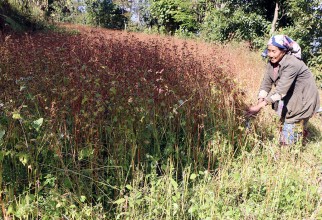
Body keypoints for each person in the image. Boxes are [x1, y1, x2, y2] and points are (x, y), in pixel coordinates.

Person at [247, 35, 320, 145]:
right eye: (269, 50)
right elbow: (266, 83)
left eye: (274, 51)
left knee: (287, 137)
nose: (270, 54)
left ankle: (290, 149)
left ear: (283, 51)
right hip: (291, 98)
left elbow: (281, 91)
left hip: (303, 100)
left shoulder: (292, 63)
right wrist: (260, 100)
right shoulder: (271, 63)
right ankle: (301, 135)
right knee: (283, 123)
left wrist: (258, 107)